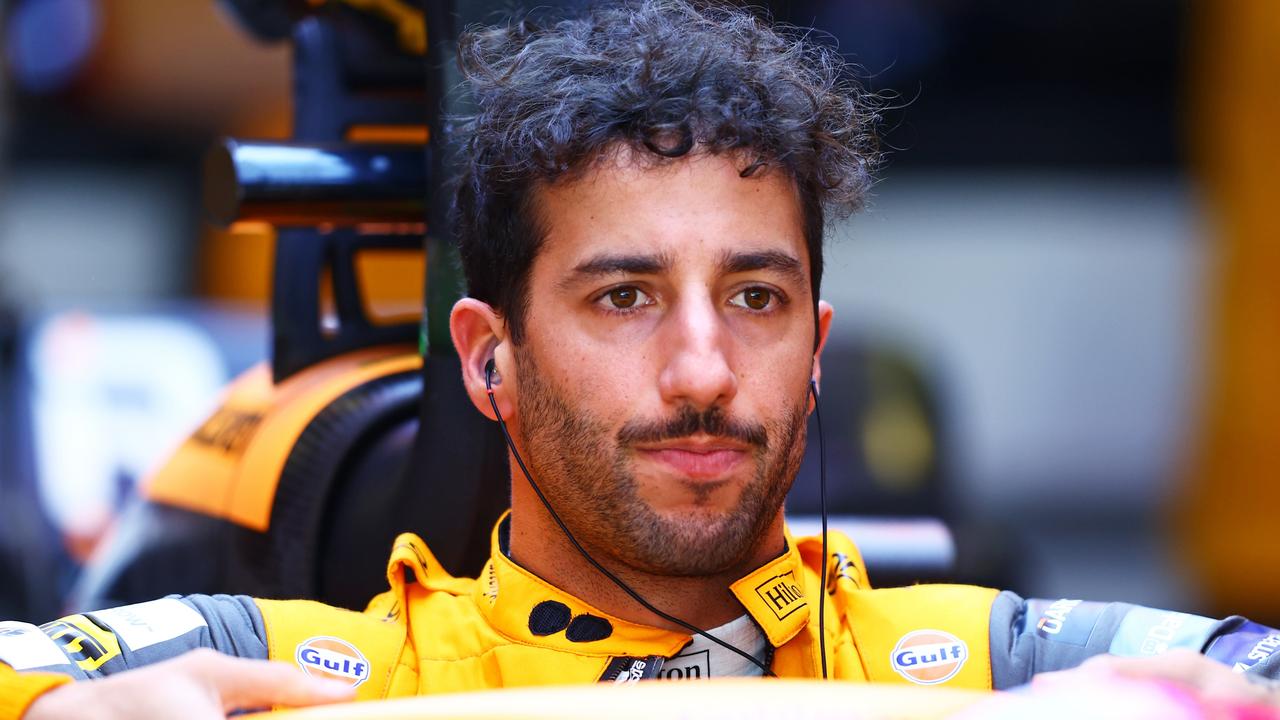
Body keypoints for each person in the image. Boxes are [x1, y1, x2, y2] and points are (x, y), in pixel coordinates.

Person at [2, 1, 1279, 717]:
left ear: (819, 352)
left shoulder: (983, 663)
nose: (703, 369)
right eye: (623, 298)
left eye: (756, 298)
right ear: (486, 360)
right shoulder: (316, 671)